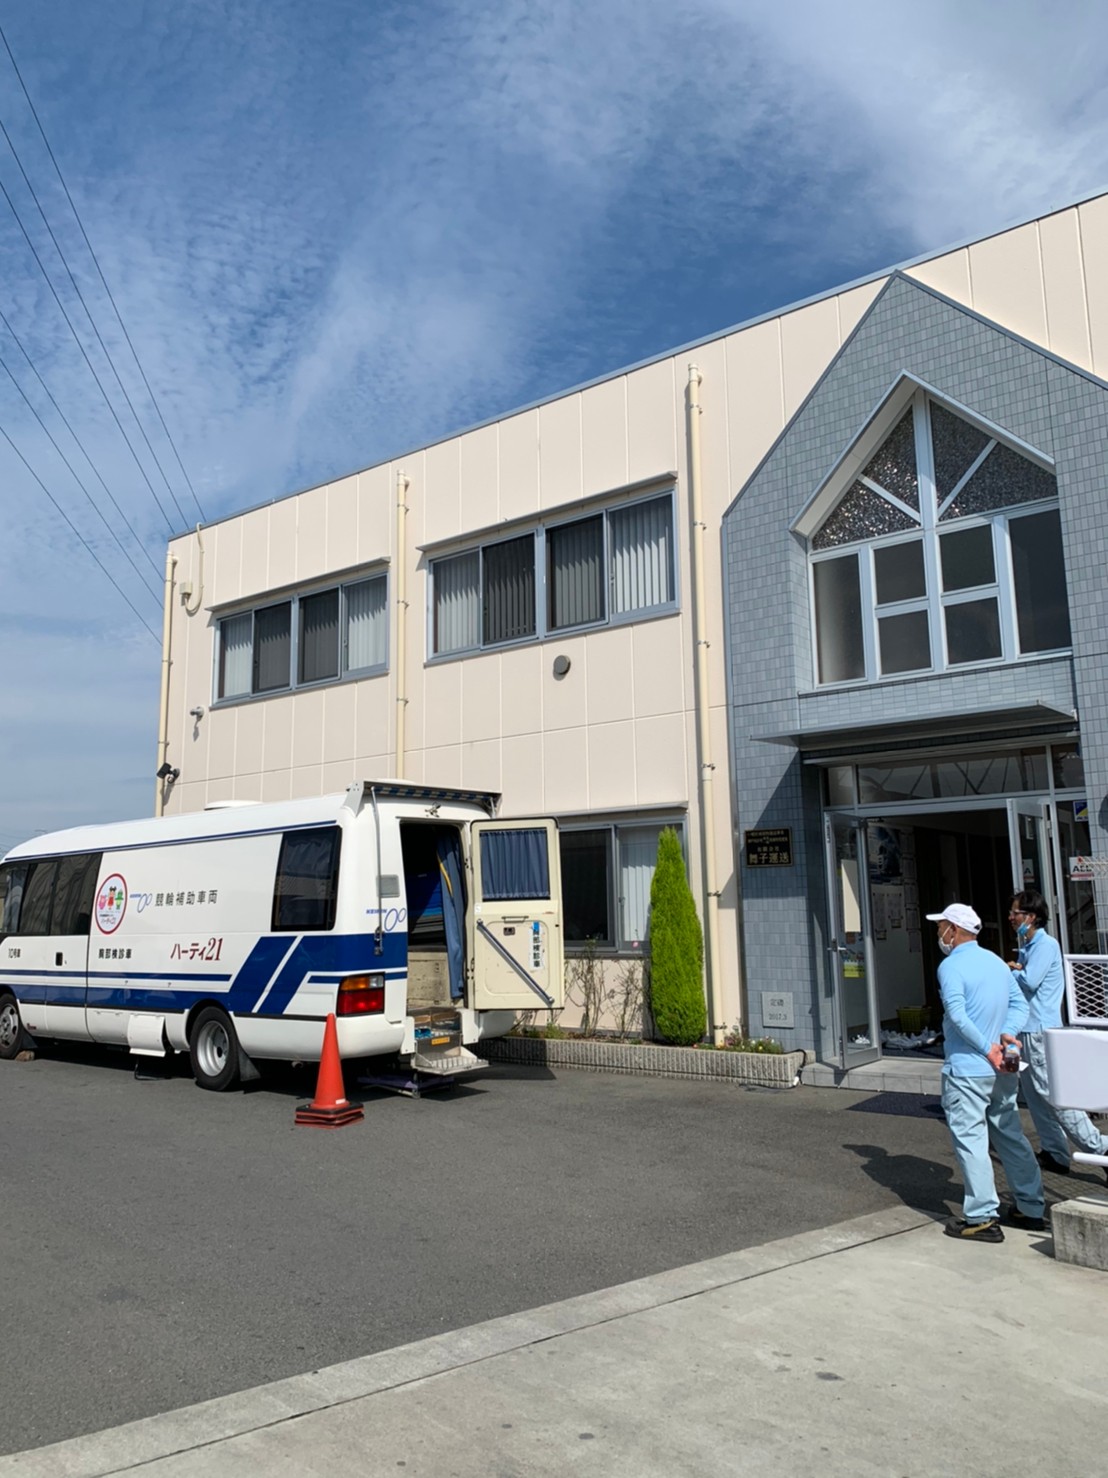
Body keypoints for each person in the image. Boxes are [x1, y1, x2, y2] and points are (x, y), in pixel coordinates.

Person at [925, 903, 1045, 1242]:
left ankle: (981, 1217)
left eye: (941, 927)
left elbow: (958, 1015)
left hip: (968, 1069)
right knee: (1010, 1134)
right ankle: (1031, 1207)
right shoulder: (995, 962)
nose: (939, 934)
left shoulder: (950, 966)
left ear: (953, 930)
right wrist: (1007, 1037)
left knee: (972, 1141)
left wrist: (986, 1048)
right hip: (1003, 1068)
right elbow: (1020, 1005)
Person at [1005, 890, 1108, 1180]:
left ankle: (1100, 1148)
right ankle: (1054, 1151)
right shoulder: (1028, 945)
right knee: (1035, 1096)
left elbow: (1030, 981)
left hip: (1039, 1030)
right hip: (1026, 1029)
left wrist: (1010, 970)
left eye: (1015, 913)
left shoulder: (1045, 944)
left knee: (1053, 1094)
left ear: (1031, 916)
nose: (1011, 918)